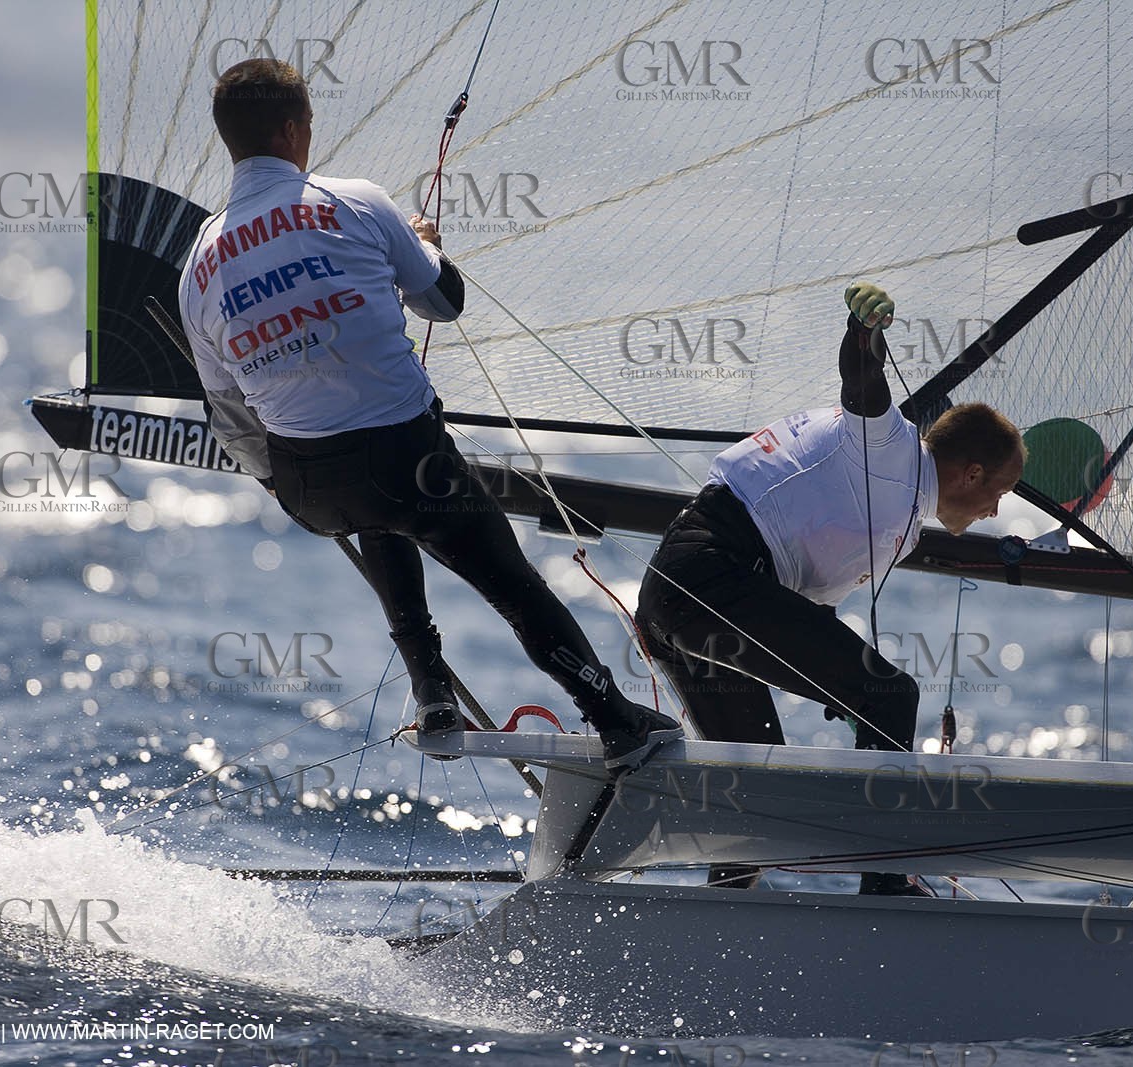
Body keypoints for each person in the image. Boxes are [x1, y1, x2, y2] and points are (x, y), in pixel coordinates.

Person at [178, 59, 682, 772]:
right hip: (408, 464)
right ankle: (616, 717)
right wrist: (425, 246)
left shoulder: (197, 261)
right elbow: (444, 304)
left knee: (374, 508)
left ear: (231, 141)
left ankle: (432, 694)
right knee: (511, 581)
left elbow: (230, 416)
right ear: (295, 130)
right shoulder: (354, 201)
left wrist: (284, 476)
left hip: (309, 490)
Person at [634, 281, 1025, 892]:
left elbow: (802, 626)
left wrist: (844, 689)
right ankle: (886, 887)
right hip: (708, 577)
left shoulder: (896, 520)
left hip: (686, 597)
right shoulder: (890, 448)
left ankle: (718, 923)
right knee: (892, 694)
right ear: (972, 473)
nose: (995, 511)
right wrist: (863, 331)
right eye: (998, 492)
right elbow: (863, 383)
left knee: (756, 798)